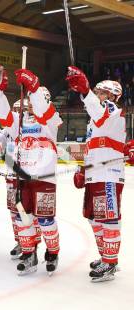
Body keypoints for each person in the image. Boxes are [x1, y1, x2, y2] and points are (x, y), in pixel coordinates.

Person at [0, 64, 62, 275]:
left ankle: (53, 252)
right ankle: (29, 254)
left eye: (35, 100)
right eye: (30, 101)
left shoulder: (51, 122)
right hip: (23, 180)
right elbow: (4, 117)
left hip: (44, 180)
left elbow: (45, 110)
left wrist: (33, 88)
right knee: (23, 218)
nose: (31, 105)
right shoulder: (20, 123)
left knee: (46, 220)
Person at [67, 67, 128, 282]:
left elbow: (99, 114)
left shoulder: (113, 112)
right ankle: (106, 257)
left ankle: (110, 263)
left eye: (100, 92)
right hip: (95, 175)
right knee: (94, 218)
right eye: (96, 92)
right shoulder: (95, 120)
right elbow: (90, 148)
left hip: (109, 175)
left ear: (112, 96)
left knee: (109, 219)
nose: (97, 95)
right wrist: (81, 169)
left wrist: (85, 92)